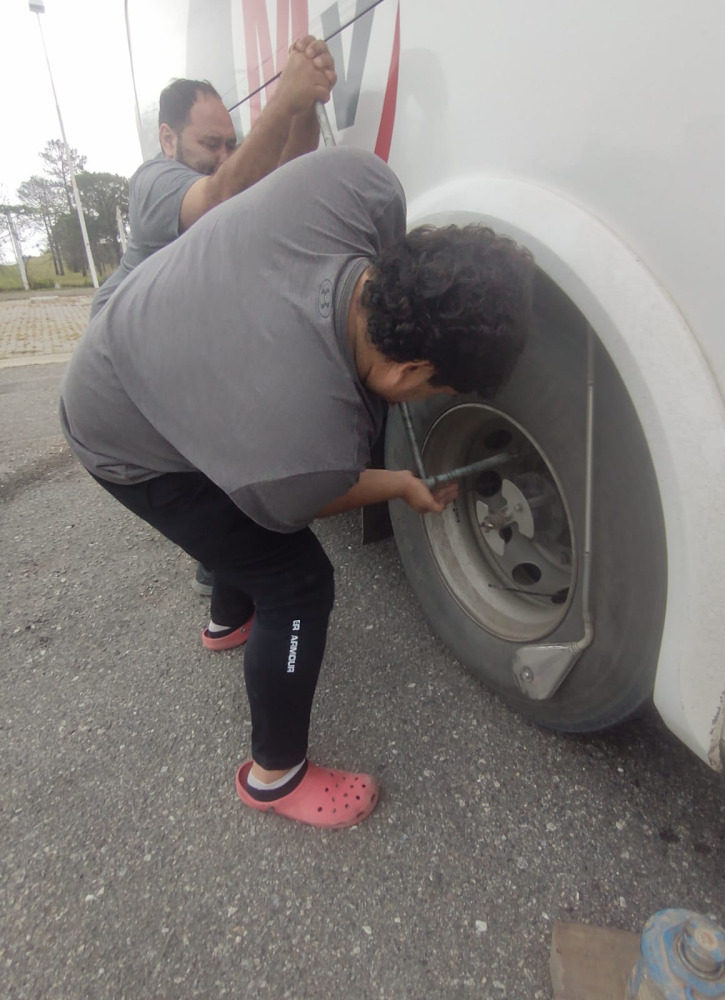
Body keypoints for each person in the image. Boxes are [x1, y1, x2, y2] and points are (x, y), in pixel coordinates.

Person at [60, 146, 534, 829]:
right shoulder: (302, 442)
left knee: (239, 511)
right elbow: (300, 500)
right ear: (411, 372)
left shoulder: (356, 185)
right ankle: (274, 775)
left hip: (138, 337)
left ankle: (227, 623)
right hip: (120, 437)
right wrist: (401, 482)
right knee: (295, 579)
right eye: (440, 387)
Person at [92, 37, 336, 595]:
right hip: (122, 363)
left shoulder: (216, 170)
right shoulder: (154, 180)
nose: (225, 154)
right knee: (202, 464)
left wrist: (304, 106)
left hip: (175, 349)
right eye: (210, 143)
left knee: (226, 452)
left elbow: (285, 177)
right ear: (168, 138)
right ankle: (222, 567)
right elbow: (220, 202)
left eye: (232, 143)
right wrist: (280, 100)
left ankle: (223, 573)